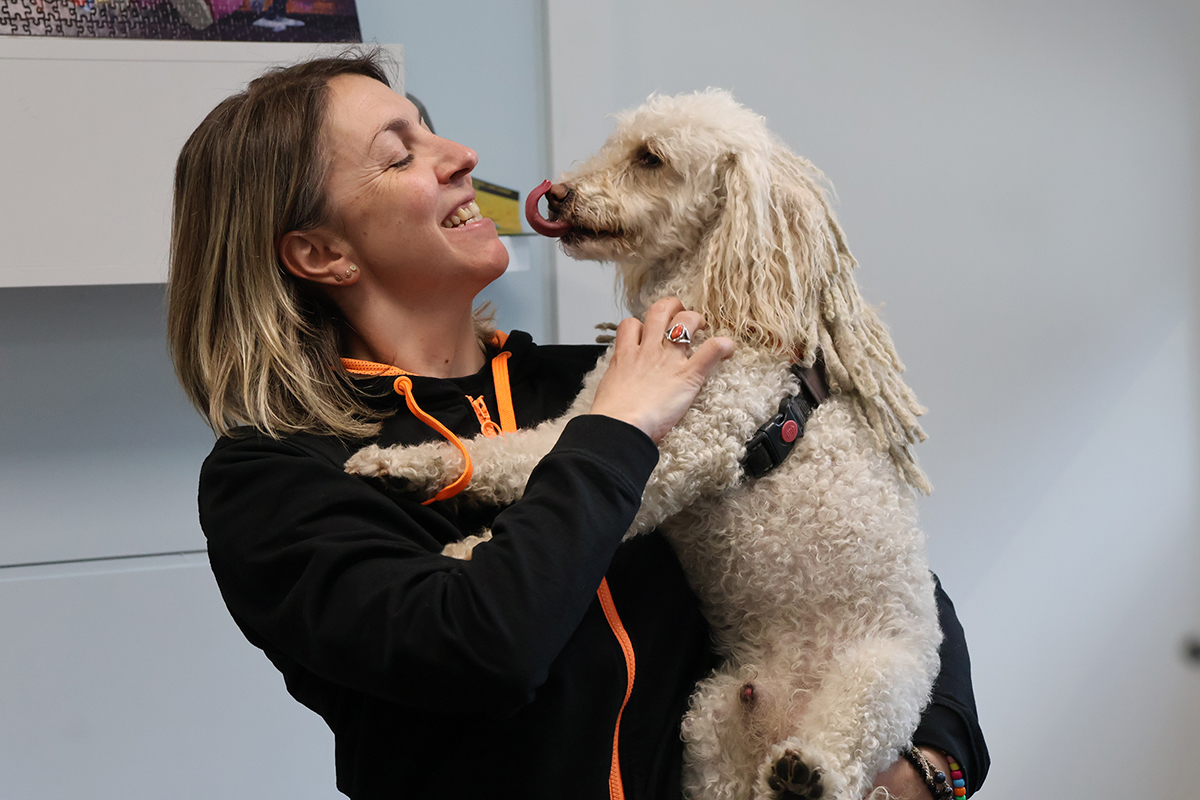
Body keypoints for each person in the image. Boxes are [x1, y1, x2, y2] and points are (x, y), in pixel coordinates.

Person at [167, 50, 988, 800]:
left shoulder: (609, 375)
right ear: (321, 254)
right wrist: (619, 429)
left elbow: (882, 583)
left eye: (431, 127)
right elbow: (482, 648)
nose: (462, 156)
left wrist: (931, 769)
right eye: (399, 154)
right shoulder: (275, 478)